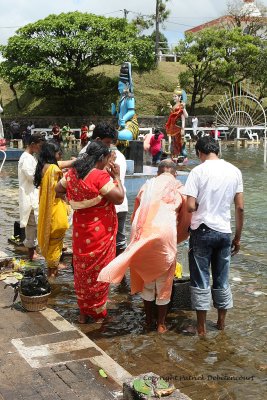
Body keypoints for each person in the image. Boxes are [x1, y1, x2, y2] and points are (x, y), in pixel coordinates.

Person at [98, 159, 192, 333]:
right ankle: (161, 324)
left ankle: (149, 320)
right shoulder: (180, 188)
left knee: (148, 279)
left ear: (157, 173)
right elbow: (185, 222)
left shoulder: (146, 186)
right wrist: (177, 239)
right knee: (164, 281)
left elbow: (136, 216)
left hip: (141, 232)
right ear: (175, 173)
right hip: (163, 233)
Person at [55, 141, 125, 323]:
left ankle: (83, 312)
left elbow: (58, 189)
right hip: (99, 232)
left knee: (82, 270)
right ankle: (98, 313)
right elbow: (119, 198)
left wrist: (72, 200)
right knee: (99, 271)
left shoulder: (73, 173)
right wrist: (117, 177)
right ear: (101, 158)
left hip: (80, 230)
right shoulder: (99, 176)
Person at [184, 136, 244, 336]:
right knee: (222, 278)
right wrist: (237, 237)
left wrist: (202, 205)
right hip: (224, 231)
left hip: (202, 230)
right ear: (217, 150)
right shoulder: (234, 171)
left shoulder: (197, 171)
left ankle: (201, 328)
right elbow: (240, 208)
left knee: (201, 279)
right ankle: (220, 323)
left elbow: (190, 205)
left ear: (199, 152)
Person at [80, 123, 128, 257]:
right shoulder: (87, 154)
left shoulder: (114, 155)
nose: (109, 146)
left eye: (111, 142)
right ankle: (115, 275)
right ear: (97, 140)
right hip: (105, 206)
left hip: (112, 205)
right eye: (107, 142)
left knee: (112, 243)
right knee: (106, 244)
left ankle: (116, 275)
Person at [34, 141, 75, 278]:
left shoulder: (43, 167)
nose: (61, 155)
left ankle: (51, 275)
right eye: (59, 153)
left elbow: (62, 165)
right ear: (53, 154)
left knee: (52, 245)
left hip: (47, 213)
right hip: (56, 212)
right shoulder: (54, 169)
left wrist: (72, 163)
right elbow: (60, 190)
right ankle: (52, 282)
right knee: (55, 246)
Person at [18, 133, 45, 260]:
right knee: (31, 225)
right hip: (29, 196)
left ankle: (33, 250)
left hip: (32, 195)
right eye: (39, 146)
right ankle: (31, 252)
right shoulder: (26, 158)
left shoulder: (30, 157)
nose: (40, 148)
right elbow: (33, 177)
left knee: (34, 224)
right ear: (33, 144)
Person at [111, 62, 139, 141]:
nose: (119, 88)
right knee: (115, 134)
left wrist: (123, 119)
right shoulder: (121, 98)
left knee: (119, 135)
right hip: (122, 126)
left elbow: (131, 112)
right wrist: (115, 113)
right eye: (118, 86)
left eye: (120, 86)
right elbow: (120, 115)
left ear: (127, 85)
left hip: (130, 125)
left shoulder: (129, 97)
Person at [165, 84, 188, 157]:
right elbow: (173, 115)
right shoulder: (175, 106)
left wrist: (183, 128)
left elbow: (185, 116)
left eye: (175, 96)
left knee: (179, 143)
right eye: (173, 96)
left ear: (180, 97)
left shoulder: (181, 106)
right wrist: (171, 108)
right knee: (174, 143)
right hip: (173, 128)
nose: (173, 98)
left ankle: (180, 155)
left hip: (178, 128)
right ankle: (175, 155)